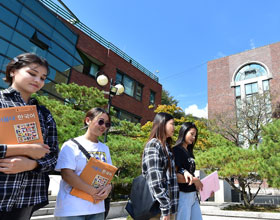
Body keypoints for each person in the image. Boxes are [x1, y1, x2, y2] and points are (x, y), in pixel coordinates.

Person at [0, 53, 59, 220]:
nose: (38, 80)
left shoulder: (44, 113)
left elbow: (54, 156)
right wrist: (25, 149)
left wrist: (31, 164)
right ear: (12, 71)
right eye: (32, 73)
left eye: (42, 77)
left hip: (27, 198)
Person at [54, 107, 112, 220]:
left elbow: (108, 175)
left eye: (107, 124)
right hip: (72, 209)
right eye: (100, 121)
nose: (103, 126)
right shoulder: (71, 145)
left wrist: (108, 188)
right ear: (88, 120)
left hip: (97, 208)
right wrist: (93, 191)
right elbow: (67, 175)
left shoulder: (105, 148)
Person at [142, 112, 179, 220]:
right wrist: (165, 209)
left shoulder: (167, 147)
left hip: (168, 206)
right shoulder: (154, 145)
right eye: (172, 124)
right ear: (162, 124)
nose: (174, 127)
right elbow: (155, 181)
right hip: (157, 208)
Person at [173, 122, 203, 220]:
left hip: (193, 194)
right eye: (191, 134)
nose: (193, 137)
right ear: (184, 132)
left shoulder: (189, 152)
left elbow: (190, 173)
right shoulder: (176, 150)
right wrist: (195, 180)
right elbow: (176, 176)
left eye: (195, 135)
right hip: (183, 194)